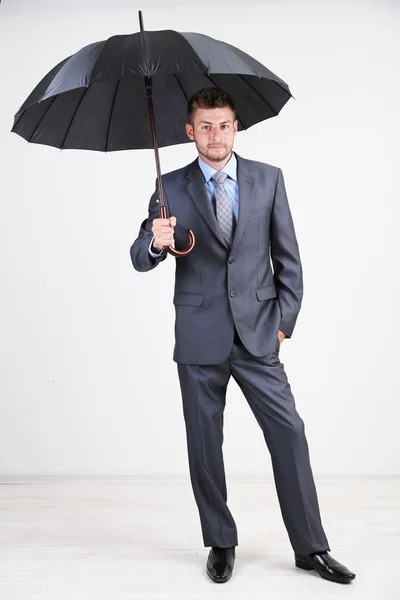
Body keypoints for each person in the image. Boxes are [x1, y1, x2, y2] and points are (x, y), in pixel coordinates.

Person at [130, 87, 355, 585]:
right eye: (205, 126)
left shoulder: (268, 180)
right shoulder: (168, 186)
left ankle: (311, 548)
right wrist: (154, 242)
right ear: (190, 131)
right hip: (198, 337)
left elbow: (288, 259)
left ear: (237, 127)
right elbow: (139, 253)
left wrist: (282, 324)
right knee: (205, 445)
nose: (216, 135)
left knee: (289, 433)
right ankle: (221, 542)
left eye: (224, 124)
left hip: (258, 336)